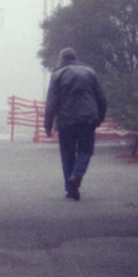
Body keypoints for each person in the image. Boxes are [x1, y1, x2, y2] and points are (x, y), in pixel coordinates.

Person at [44, 47, 108, 200]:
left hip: (66, 120)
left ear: (63, 59)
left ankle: (71, 190)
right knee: (85, 151)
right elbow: (102, 98)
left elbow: (51, 103)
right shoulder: (90, 72)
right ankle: (77, 175)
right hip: (87, 118)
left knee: (67, 154)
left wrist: (47, 125)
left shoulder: (57, 74)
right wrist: (100, 117)